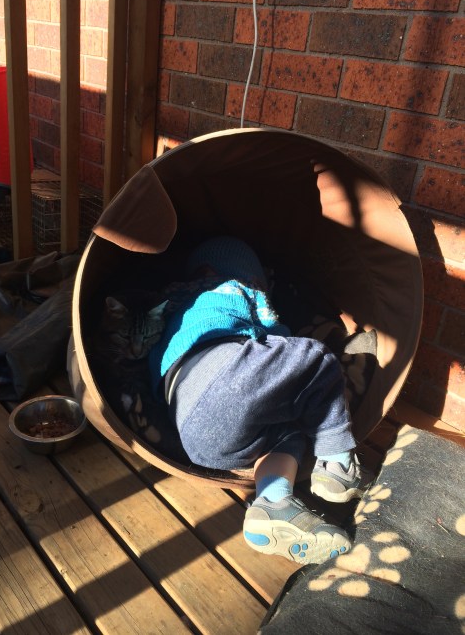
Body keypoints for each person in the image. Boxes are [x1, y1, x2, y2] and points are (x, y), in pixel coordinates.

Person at [149, 236, 373, 565]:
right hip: (223, 372)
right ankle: (337, 463)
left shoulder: (172, 309)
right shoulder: (237, 288)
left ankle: (272, 503)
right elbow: (278, 342)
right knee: (315, 358)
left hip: (193, 435)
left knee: (286, 435)